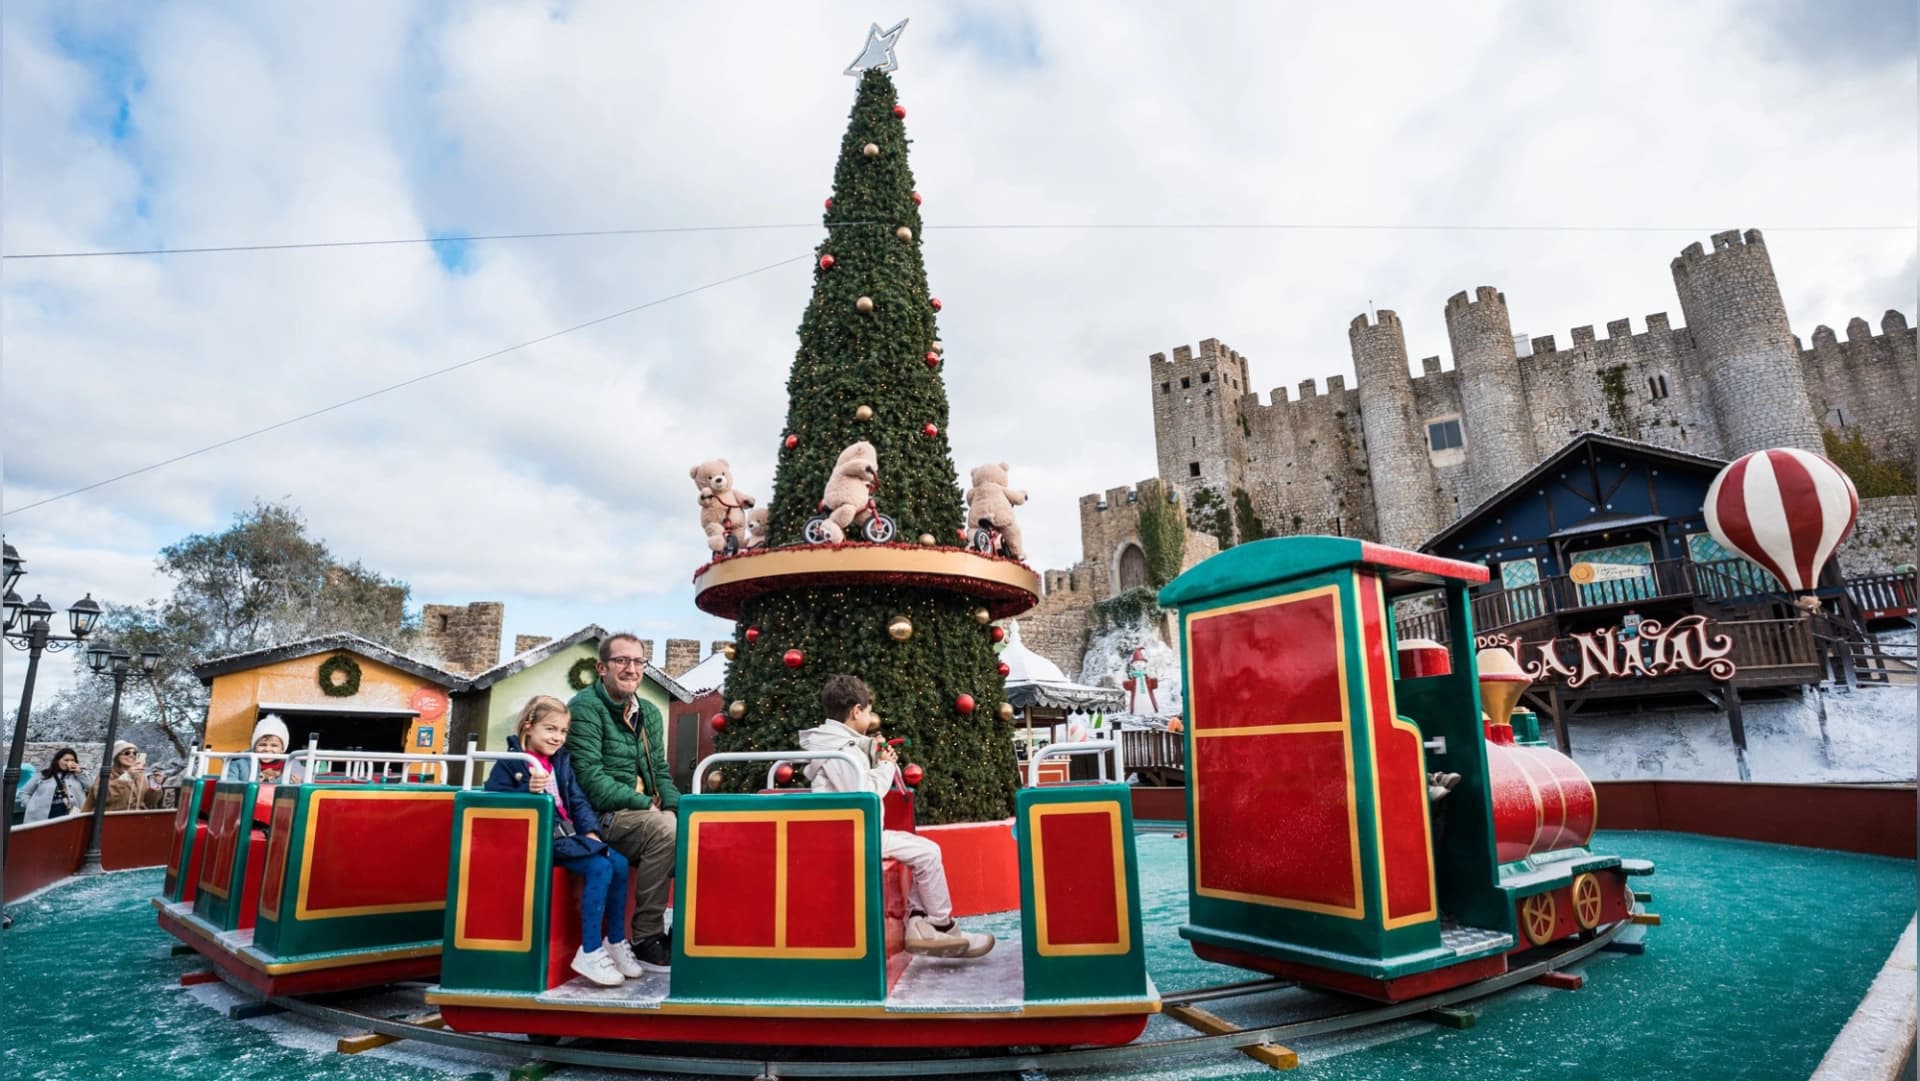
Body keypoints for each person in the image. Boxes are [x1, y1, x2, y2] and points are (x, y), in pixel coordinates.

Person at [801, 674, 994, 959]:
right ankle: (941, 925)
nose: (870, 717)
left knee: (921, 850)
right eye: (868, 711)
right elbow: (863, 795)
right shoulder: (838, 748)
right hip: (850, 836)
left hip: (850, 831)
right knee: (928, 853)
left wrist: (875, 756)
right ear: (856, 711)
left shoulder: (834, 743)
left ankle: (921, 922)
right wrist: (887, 766)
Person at [486, 696, 646, 987]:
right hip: (540, 841)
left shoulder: (561, 761)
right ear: (528, 727)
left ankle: (614, 940)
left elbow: (576, 799)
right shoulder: (512, 763)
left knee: (620, 863)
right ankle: (589, 949)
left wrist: (591, 831)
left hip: (569, 837)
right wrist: (527, 791)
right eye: (550, 729)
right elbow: (496, 804)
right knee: (600, 867)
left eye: (562, 731)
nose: (557, 737)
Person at [566, 633, 679, 972]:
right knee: (664, 829)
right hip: (601, 818)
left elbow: (659, 770)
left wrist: (679, 807)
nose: (632, 669)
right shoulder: (585, 708)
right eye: (622, 661)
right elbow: (590, 780)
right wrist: (647, 804)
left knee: (698, 826)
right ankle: (646, 938)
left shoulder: (650, 713)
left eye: (638, 662)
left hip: (642, 812)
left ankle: (688, 931)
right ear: (602, 668)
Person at [86, 741, 162, 812]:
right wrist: (126, 777)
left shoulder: (141, 776)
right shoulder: (107, 774)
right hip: (112, 818)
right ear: (117, 756)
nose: (132, 755)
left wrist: (155, 784)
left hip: (137, 819)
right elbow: (103, 797)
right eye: (127, 753)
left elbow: (149, 802)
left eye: (134, 753)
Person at [23, 747, 89, 822]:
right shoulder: (44, 774)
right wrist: (31, 806)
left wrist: (79, 773)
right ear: (57, 761)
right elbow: (25, 792)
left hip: (70, 816)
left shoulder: (80, 775)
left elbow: (91, 788)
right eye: (66, 760)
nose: (69, 762)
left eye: (72, 760)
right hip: (43, 817)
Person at [224, 715, 290, 783]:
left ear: (282, 749)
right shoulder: (238, 764)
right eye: (262, 745)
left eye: (274, 745)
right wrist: (260, 778)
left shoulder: (290, 767)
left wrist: (291, 782)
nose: (267, 749)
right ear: (254, 747)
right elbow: (229, 789)